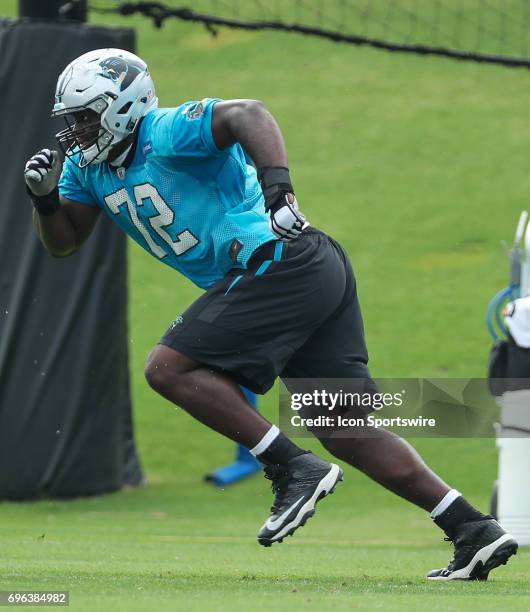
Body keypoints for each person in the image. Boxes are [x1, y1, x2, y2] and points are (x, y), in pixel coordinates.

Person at [24, 48, 517, 580]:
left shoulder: (163, 130)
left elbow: (249, 114)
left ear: (122, 108)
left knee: (169, 368)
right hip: (304, 271)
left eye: (84, 116)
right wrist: (46, 202)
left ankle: (291, 466)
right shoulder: (88, 169)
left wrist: (278, 190)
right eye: (71, 119)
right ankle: (474, 530)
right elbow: (63, 244)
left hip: (280, 260)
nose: (74, 131)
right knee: (342, 424)